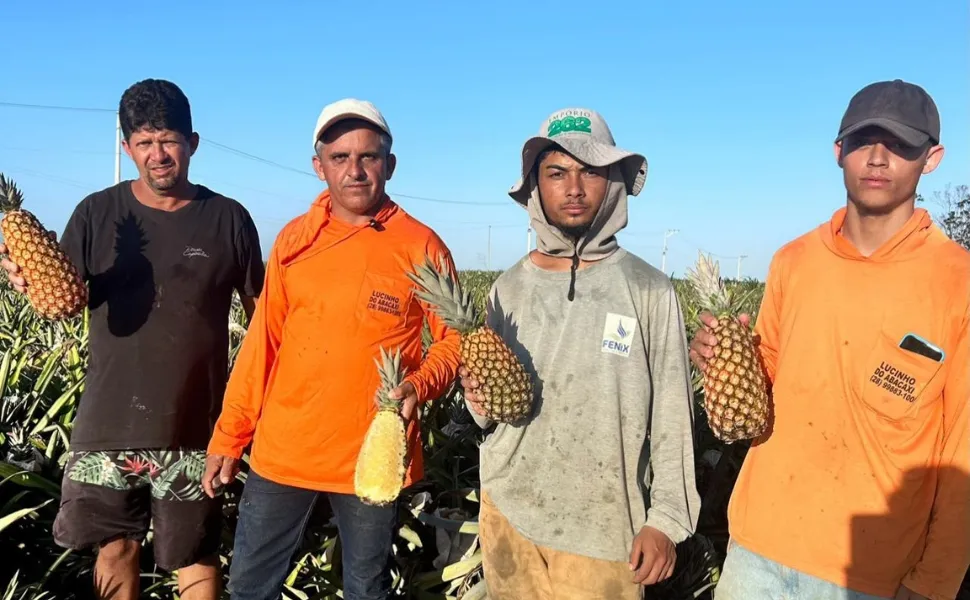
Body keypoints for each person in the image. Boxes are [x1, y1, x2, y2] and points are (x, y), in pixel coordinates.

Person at [689, 79, 970, 600]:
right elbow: (771, 375)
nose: (879, 158)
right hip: (756, 549)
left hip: (871, 573)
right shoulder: (794, 261)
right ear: (839, 151)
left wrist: (935, 583)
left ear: (932, 159)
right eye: (864, 140)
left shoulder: (959, 282)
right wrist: (725, 361)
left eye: (902, 144)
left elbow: (964, 455)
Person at [1, 78, 265, 600]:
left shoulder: (228, 218)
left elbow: (264, 320)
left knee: (195, 554)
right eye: (143, 142)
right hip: (109, 422)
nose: (157, 154)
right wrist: (25, 275)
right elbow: (62, 294)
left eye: (167, 139)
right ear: (126, 147)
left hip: (197, 424)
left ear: (192, 142)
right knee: (114, 547)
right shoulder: (96, 214)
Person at [202, 98, 462, 600]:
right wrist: (228, 437)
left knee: (366, 588)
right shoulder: (295, 241)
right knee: (250, 588)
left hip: (372, 455)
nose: (355, 170)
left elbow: (455, 342)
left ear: (390, 164)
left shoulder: (421, 245)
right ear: (319, 166)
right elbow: (263, 345)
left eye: (369, 156)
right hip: (283, 452)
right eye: (340, 157)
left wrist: (419, 384)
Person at [460, 108, 701, 599]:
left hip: (607, 529)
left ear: (612, 181)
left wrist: (668, 518)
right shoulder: (506, 289)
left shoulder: (648, 289)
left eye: (589, 171)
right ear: (535, 185)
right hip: (509, 514)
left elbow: (675, 412)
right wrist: (476, 402)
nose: (574, 187)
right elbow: (488, 416)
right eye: (557, 172)